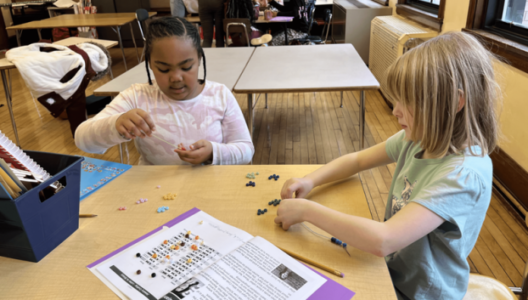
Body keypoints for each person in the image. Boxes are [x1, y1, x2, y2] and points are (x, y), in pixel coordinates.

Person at [275, 32, 501, 300]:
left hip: (420, 293)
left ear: (454, 102)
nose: (395, 110)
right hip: (391, 270)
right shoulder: (420, 137)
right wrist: (310, 180)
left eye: (407, 101)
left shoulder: (464, 174)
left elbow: (383, 240)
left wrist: (307, 211)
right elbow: (357, 160)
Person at [75, 17, 254, 165]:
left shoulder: (219, 96)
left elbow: (246, 150)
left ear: (199, 59)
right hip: (154, 192)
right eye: (164, 69)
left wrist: (214, 153)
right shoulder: (137, 96)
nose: (176, 77)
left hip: (211, 188)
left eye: (186, 67)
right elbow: (82, 139)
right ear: (150, 64)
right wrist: (116, 125)